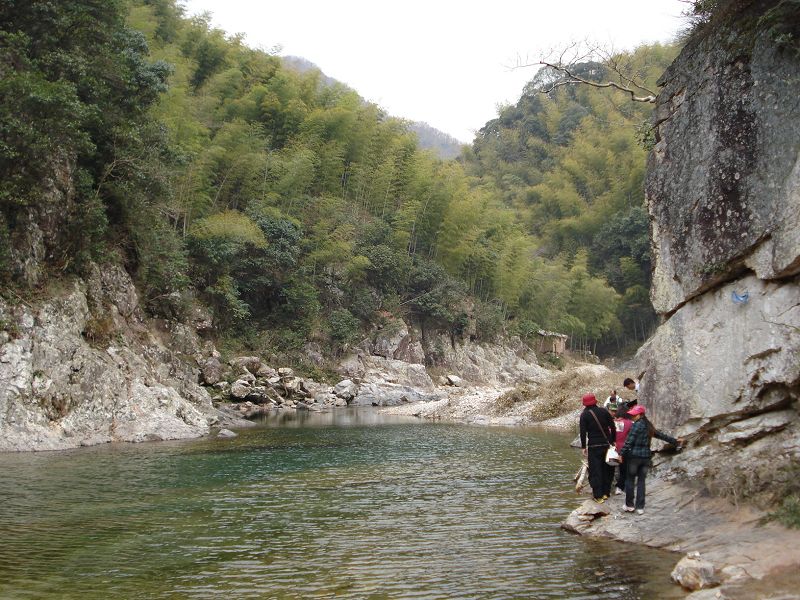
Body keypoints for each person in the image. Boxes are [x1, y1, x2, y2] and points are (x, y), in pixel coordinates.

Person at [620, 405, 683, 515]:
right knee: (641, 482)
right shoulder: (649, 426)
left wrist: (621, 454)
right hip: (646, 458)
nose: (632, 416)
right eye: (633, 415)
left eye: (635, 415)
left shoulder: (636, 426)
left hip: (634, 458)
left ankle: (629, 505)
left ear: (641, 415)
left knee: (630, 480)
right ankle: (640, 507)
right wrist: (675, 441)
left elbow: (629, 441)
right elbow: (661, 436)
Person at [579, 392, 616, 503]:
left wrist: (583, 446)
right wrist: (612, 440)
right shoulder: (604, 411)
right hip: (606, 444)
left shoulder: (584, 415)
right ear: (595, 401)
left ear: (585, 404)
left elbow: (582, 432)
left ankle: (598, 496)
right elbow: (613, 427)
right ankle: (606, 493)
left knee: (596, 470)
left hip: (594, 446)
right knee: (607, 469)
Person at [607, 402, 632, 495]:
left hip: (612, 448)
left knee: (610, 469)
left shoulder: (612, 423)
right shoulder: (629, 423)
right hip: (624, 449)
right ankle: (619, 487)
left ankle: (608, 488)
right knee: (623, 469)